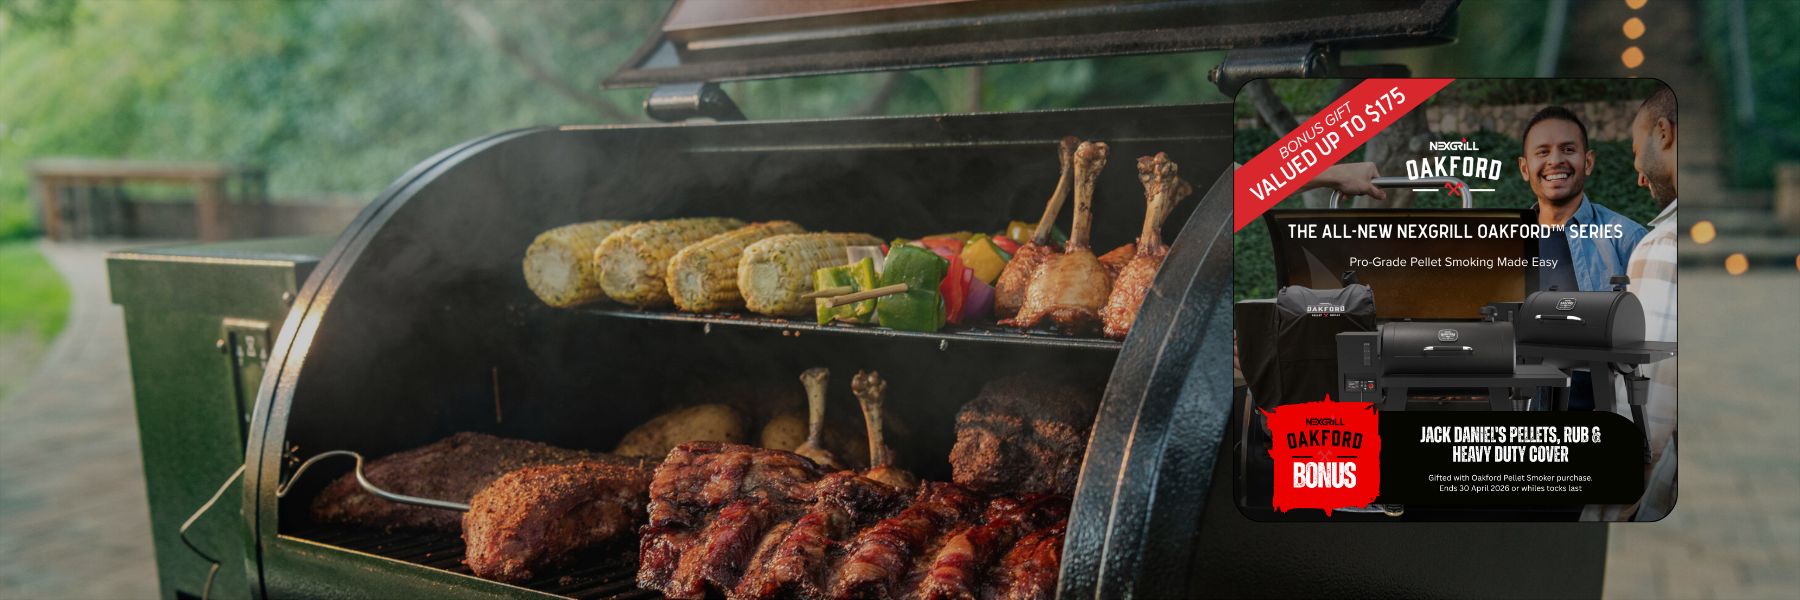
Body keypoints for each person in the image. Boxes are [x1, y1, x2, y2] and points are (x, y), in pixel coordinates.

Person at [1586, 86, 1680, 522]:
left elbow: (1646, 421)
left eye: (1635, 149)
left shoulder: (1661, 243)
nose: (1639, 174)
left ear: (1663, 133)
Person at [1516, 107, 1647, 411]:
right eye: (1542, 151)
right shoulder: (1504, 244)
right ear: (1525, 168)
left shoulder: (1627, 239)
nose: (1555, 161)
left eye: (1568, 149)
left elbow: (1648, 341)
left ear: (1587, 161)